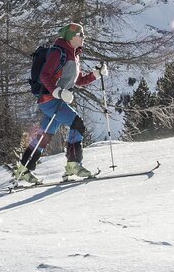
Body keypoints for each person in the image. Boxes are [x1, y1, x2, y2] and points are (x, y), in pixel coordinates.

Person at [13, 22, 107, 183]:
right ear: (72, 37)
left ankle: (24, 169)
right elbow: (45, 76)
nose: (83, 38)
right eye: (81, 35)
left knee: (45, 134)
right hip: (50, 100)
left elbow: (79, 80)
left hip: (57, 100)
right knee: (77, 123)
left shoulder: (74, 55)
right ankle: (73, 164)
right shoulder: (58, 52)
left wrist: (96, 74)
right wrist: (58, 92)